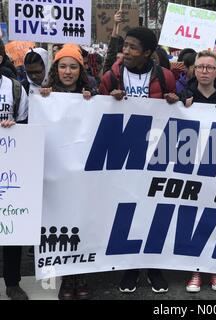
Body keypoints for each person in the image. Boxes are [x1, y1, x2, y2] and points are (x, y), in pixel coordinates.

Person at [99, 27, 177, 294]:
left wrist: (173, 101)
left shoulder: (165, 77)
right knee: (126, 210)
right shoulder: (111, 76)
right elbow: (96, 111)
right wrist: (108, 99)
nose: (127, 52)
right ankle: (130, 268)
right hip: (122, 156)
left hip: (156, 156)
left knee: (153, 211)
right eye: (125, 46)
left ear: (148, 53)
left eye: (133, 47)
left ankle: (154, 268)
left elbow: (179, 110)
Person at [178, 50, 216, 292]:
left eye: (209, 67)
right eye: (200, 67)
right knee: (194, 215)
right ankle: (196, 268)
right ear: (194, 70)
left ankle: (214, 268)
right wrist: (180, 106)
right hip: (191, 165)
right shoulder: (184, 94)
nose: (204, 71)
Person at [39, 44, 93, 300]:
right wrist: (43, 99)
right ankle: (65, 280)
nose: (68, 71)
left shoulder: (91, 95)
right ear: (55, 69)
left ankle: (81, 278)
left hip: (83, 175)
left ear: (80, 70)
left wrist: (95, 100)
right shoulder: (44, 96)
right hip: (57, 175)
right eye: (62, 66)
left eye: (73, 67)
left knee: (82, 222)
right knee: (61, 226)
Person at [0, 40, 29, 300]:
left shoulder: (15, 89)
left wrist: (15, 128)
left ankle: (12, 282)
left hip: (8, 167)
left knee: (11, 226)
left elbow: (26, 127)